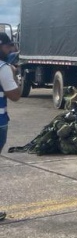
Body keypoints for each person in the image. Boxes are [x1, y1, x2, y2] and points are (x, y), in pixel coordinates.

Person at [1, 32, 22, 222]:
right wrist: (16, 77)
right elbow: (14, 95)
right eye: (8, 47)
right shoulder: (4, 68)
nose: (10, 50)